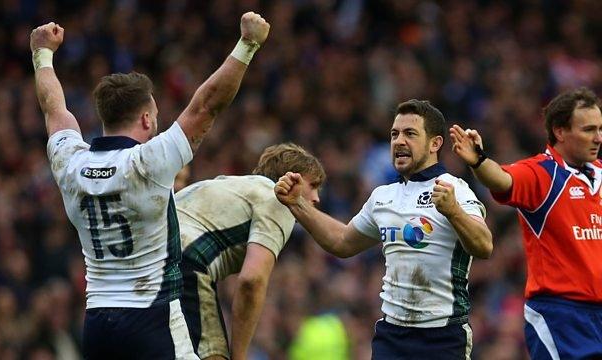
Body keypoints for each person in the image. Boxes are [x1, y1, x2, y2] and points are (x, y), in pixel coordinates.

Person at [30, 12, 269, 359]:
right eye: (155, 116)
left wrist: (42, 54)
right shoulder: (147, 163)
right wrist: (247, 45)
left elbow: (54, 108)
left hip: (97, 323)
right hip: (152, 318)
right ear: (146, 118)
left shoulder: (71, 163)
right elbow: (207, 105)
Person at [275, 99, 493, 359]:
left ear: (435, 143)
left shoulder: (452, 188)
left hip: (442, 337)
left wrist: (454, 212)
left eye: (410, 134)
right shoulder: (383, 197)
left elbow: (484, 246)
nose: (399, 141)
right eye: (394, 134)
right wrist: (297, 204)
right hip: (392, 336)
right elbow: (341, 242)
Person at [449, 87, 602, 359]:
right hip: (561, 316)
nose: (598, 138)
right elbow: (502, 179)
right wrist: (479, 160)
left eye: (600, 129)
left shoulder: (600, 174)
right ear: (560, 131)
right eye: (589, 129)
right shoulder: (541, 174)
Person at [174, 143, 325, 360]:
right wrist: (240, 355)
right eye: (313, 185)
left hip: (145, 267)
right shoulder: (279, 200)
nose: (317, 198)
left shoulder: (231, 185)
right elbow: (251, 281)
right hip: (184, 266)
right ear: (293, 179)